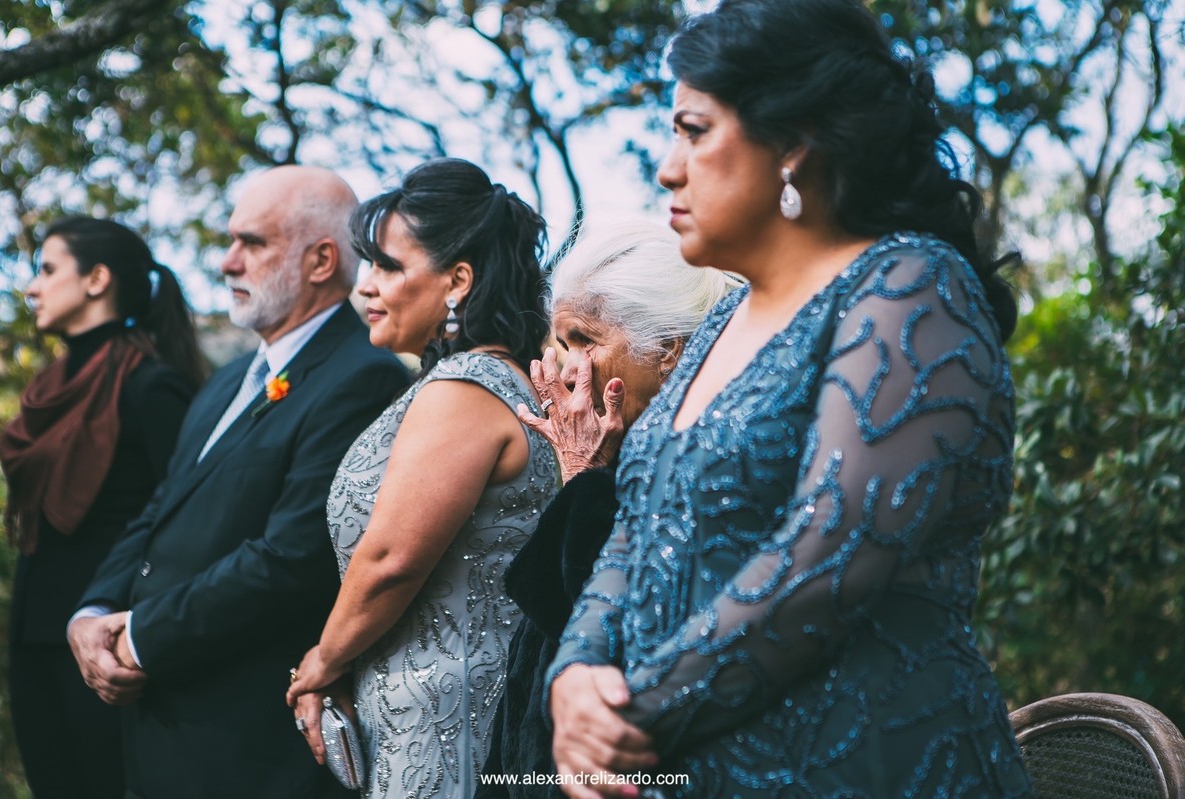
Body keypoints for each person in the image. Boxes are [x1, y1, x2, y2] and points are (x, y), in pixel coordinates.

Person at [545, 1, 1033, 796]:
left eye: (694, 131)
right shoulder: (724, 321)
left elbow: (828, 558)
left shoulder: (909, 289)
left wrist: (625, 721)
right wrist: (573, 675)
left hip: (871, 767)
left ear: (794, 145)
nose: (668, 168)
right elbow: (635, 531)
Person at [67, 165, 412, 799]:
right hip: (157, 732)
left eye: (251, 243)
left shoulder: (363, 377)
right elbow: (162, 507)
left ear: (320, 260)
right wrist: (93, 612)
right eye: (231, 241)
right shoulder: (227, 381)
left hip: (246, 744)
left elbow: (294, 557)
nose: (227, 262)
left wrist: (142, 636)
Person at [285, 157, 557, 799]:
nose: (366, 288)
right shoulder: (480, 380)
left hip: (449, 723)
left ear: (458, 280)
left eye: (388, 267)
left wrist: (322, 662)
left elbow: (390, 560)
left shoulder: (466, 388)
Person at [475, 222, 739, 799]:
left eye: (585, 341)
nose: (569, 370)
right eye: (561, 344)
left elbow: (600, 621)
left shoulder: (709, 458)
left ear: (668, 351)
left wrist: (583, 475)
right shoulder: (625, 447)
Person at [0, 217, 204, 799]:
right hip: (36, 636)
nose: (33, 288)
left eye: (47, 270)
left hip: (110, 646)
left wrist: (143, 634)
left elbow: (186, 521)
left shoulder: (151, 386)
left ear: (96, 280)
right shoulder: (52, 387)